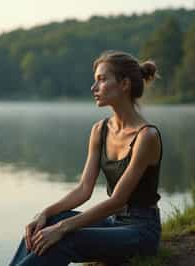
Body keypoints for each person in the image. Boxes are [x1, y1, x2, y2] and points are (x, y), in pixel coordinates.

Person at [9, 50, 163, 266]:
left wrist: (62, 228)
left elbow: (117, 200)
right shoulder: (100, 130)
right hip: (114, 222)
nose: (93, 88)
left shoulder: (146, 136)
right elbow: (84, 189)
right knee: (42, 226)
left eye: (101, 80)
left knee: (66, 238)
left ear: (124, 84)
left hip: (141, 230)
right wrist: (44, 214)